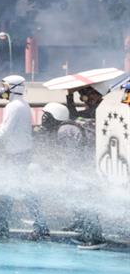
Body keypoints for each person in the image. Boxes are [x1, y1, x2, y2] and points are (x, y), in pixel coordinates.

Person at [0, 76, 48, 239]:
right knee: (8, 190)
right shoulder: (22, 104)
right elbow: (10, 127)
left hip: (17, 155)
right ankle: (1, 224)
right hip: (20, 152)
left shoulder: (14, 106)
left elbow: (6, 131)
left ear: (14, 88)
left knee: (23, 190)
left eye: (5, 86)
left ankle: (41, 225)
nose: (2, 89)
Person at [38, 103, 105, 247]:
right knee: (84, 202)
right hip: (83, 169)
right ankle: (89, 234)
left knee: (87, 203)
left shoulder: (64, 130)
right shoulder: (65, 128)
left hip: (83, 171)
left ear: (54, 116)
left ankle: (96, 238)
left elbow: (72, 155)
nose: (43, 119)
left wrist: (66, 170)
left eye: (46, 116)